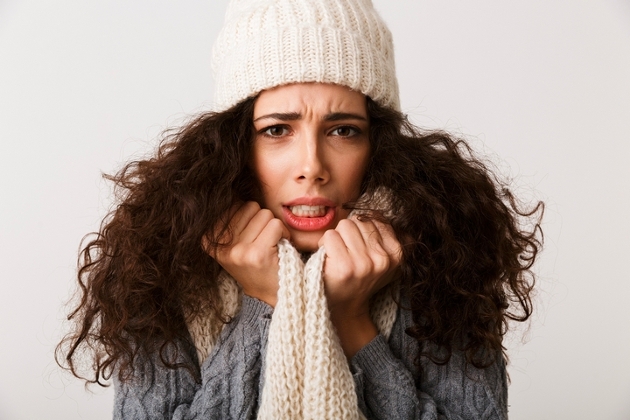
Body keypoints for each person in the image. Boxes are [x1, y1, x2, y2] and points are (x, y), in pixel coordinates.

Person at [57, 0, 543, 419]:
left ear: (380, 147)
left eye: (343, 130)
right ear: (235, 146)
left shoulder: (446, 267)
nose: (311, 166)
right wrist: (262, 307)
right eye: (276, 130)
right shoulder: (159, 274)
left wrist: (352, 320)